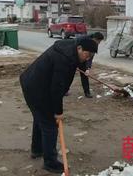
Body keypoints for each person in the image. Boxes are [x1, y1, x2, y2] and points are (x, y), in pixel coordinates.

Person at [19, 39, 97, 174]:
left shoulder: (70, 50)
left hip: (31, 82)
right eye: (87, 54)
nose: (88, 58)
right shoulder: (64, 59)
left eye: (90, 56)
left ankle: (37, 150)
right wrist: (58, 111)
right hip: (37, 88)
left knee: (40, 118)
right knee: (50, 125)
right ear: (79, 48)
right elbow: (57, 88)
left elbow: (61, 81)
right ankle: (50, 162)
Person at [76, 32, 104, 98]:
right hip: (75, 57)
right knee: (69, 73)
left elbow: (91, 57)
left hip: (84, 60)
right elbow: (74, 48)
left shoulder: (95, 44)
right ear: (94, 39)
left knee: (84, 75)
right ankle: (65, 89)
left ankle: (87, 92)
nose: (99, 43)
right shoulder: (82, 39)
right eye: (99, 41)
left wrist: (88, 68)